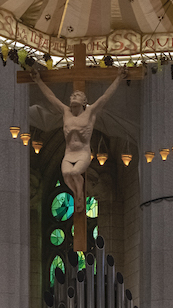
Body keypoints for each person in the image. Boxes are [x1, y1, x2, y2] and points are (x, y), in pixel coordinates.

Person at [30, 66, 127, 205]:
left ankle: (79, 195)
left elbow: (105, 97)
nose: (74, 96)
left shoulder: (90, 112)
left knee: (75, 173)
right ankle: (77, 195)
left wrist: (118, 78)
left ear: (84, 101)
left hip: (82, 153)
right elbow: (51, 97)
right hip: (69, 154)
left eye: (77, 95)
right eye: (72, 96)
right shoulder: (65, 112)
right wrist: (38, 80)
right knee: (66, 174)